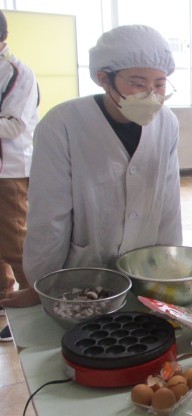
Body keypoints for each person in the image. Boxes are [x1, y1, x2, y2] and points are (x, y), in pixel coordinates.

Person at [0, 25, 181, 310]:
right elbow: (49, 217)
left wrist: (170, 269)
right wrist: (42, 285)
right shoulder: (62, 124)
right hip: (79, 276)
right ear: (104, 78)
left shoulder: (167, 123)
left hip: (143, 272)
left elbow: (169, 205)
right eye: (137, 83)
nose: (151, 94)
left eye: (159, 84)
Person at [0, 10, 39, 341]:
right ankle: (5, 299)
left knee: (14, 242)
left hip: (9, 171)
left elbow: (14, 125)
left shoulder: (16, 72)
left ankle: (34, 304)